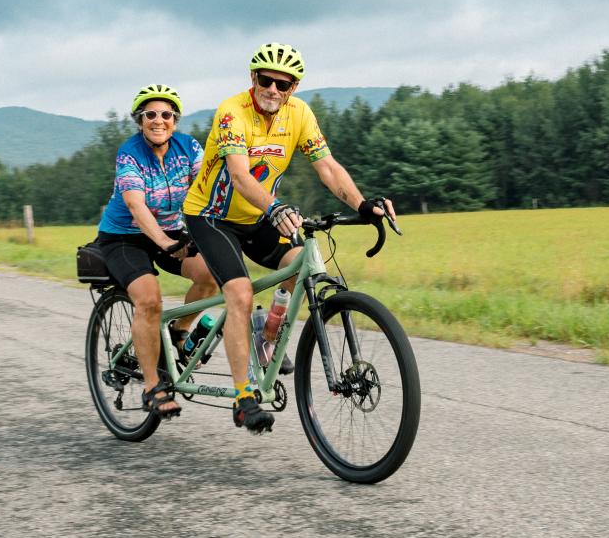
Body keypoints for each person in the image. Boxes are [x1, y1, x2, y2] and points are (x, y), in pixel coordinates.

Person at [182, 43, 395, 434]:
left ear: (294, 87)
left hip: (257, 214)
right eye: (267, 80)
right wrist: (276, 208)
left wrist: (363, 205)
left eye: (285, 84)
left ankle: (266, 338)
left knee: (301, 269)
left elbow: (327, 167)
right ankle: (245, 396)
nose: (275, 90)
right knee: (240, 293)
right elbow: (240, 176)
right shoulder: (232, 113)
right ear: (253, 79)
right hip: (211, 216)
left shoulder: (299, 114)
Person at [94, 85, 219, 419]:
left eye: (166, 114)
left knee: (211, 275)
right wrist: (165, 245)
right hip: (124, 236)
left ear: (174, 121)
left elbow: (205, 190)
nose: (158, 120)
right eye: (151, 115)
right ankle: (152, 387)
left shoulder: (188, 146)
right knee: (149, 300)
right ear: (140, 120)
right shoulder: (130, 153)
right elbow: (136, 206)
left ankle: (177, 335)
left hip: (170, 229)